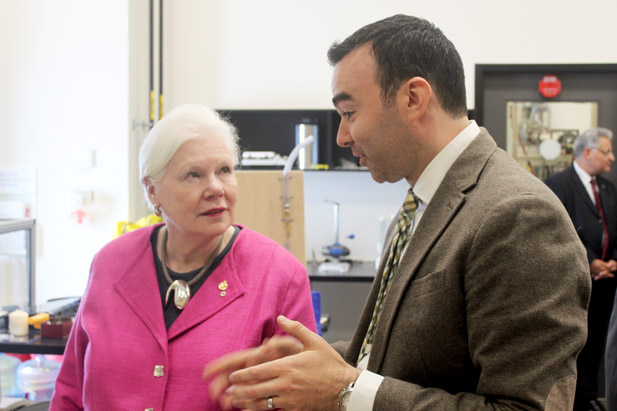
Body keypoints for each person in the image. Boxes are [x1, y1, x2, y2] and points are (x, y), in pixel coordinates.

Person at [202, 14, 591, 411]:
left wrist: (345, 390)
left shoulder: (519, 216)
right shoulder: (421, 203)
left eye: (350, 113)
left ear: (413, 98)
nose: (342, 135)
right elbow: (400, 358)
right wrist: (304, 367)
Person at [50, 104, 317, 410]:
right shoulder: (110, 264)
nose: (215, 188)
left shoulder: (279, 276)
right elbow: (70, 391)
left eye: (225, 170)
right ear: (152, 191)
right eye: (194, 175)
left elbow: (306, 396)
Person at [545, 127, 617, 411]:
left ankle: (588, 398)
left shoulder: (608, 188)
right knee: (575, 345)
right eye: (607, 151)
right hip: (574, 285)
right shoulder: (558, 184)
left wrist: (613, 260)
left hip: (607, 284)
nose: (612, 157)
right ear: (588, 152)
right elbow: (558, 229)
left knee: (600, 343)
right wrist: (589, 261)